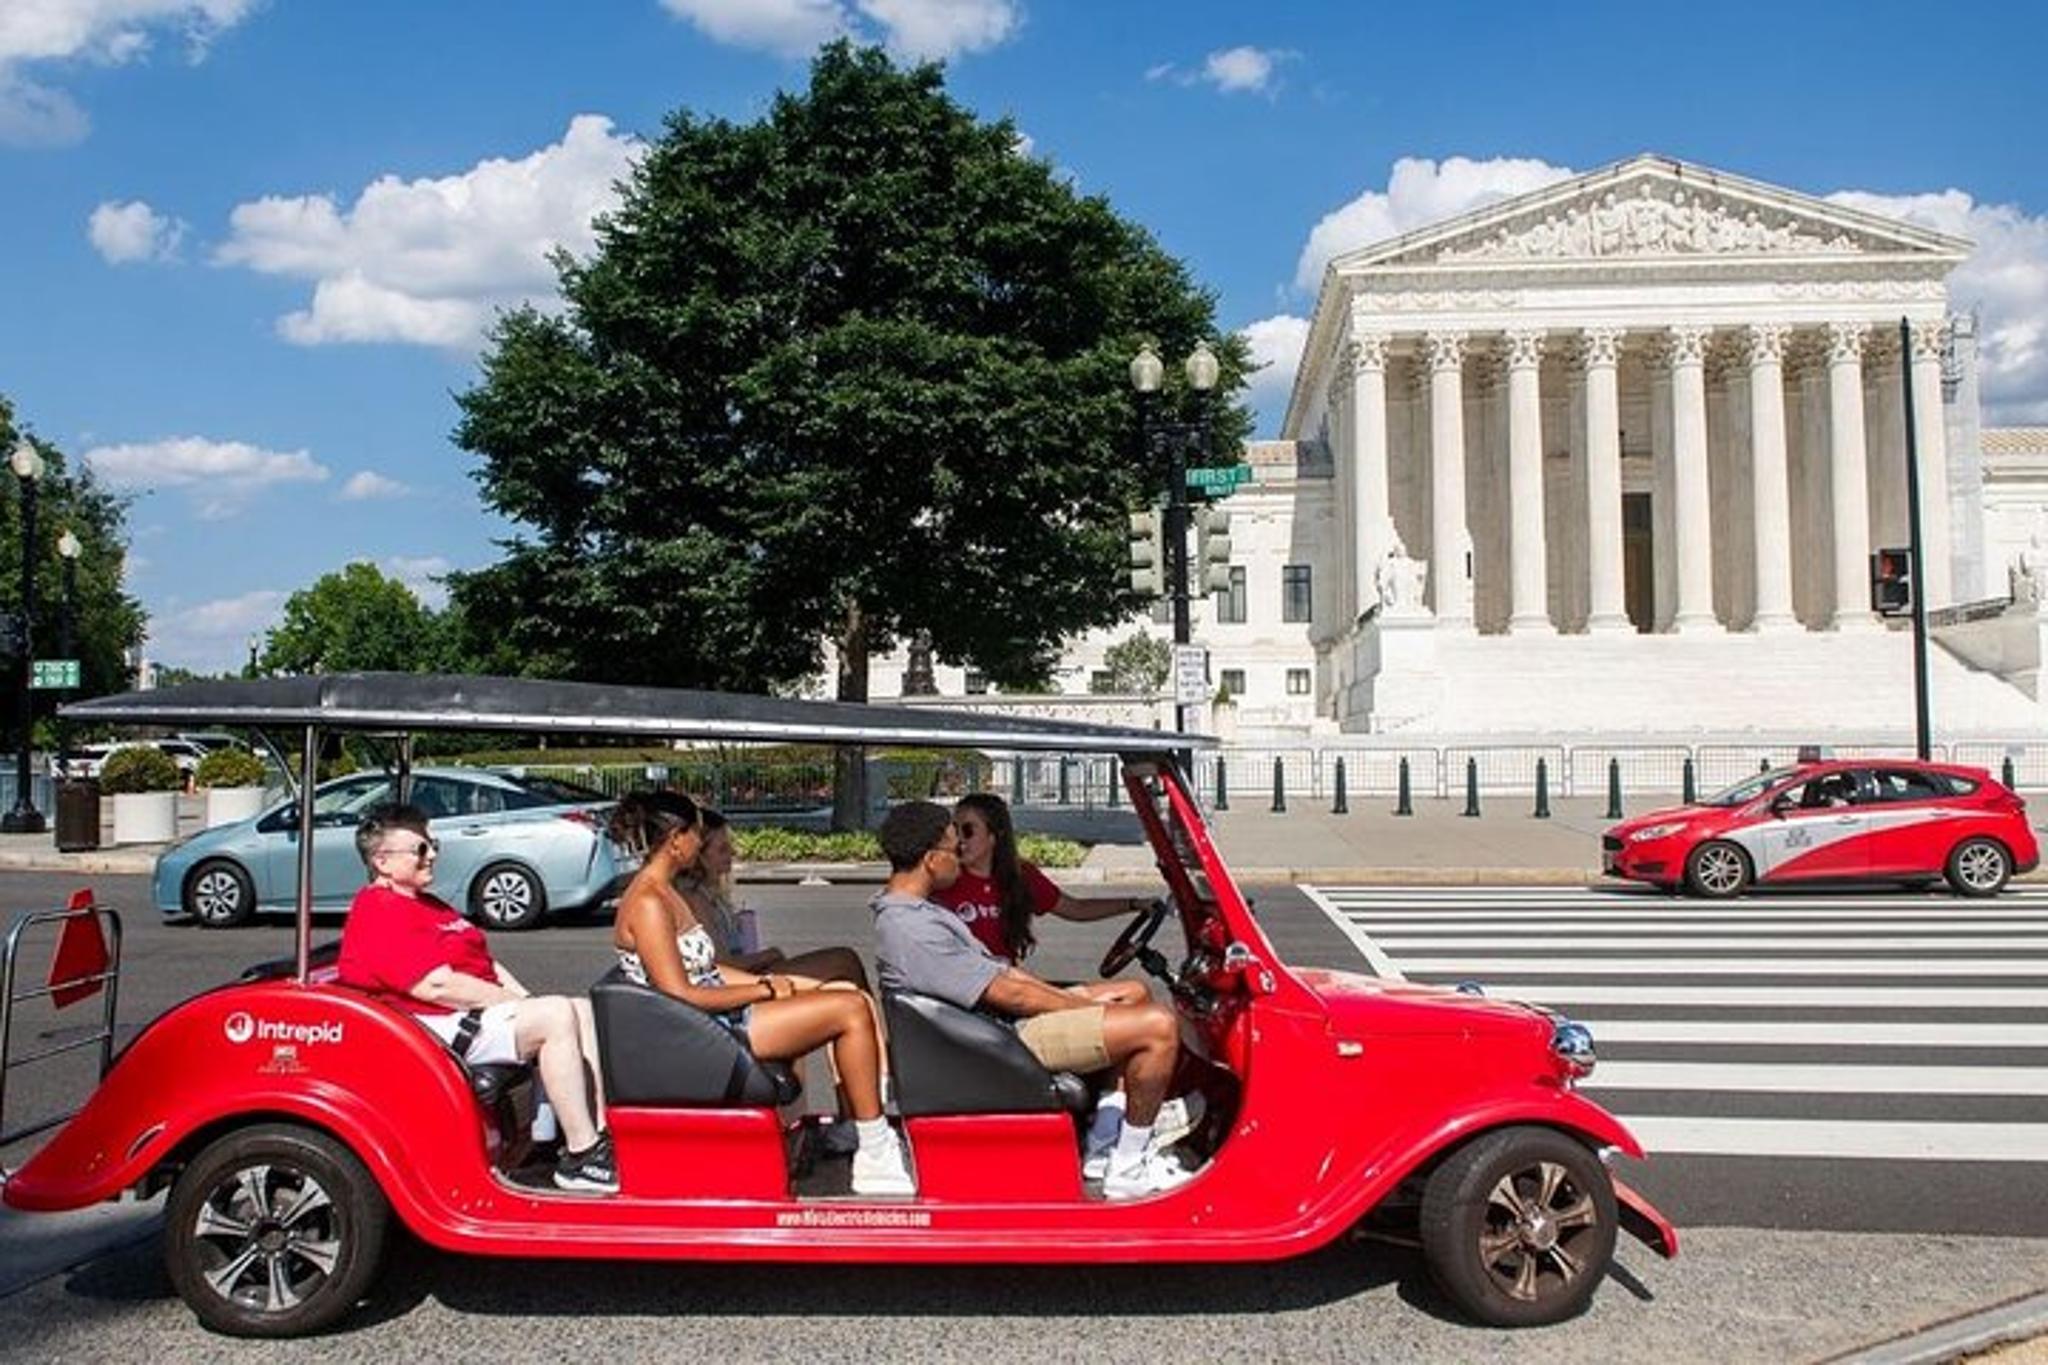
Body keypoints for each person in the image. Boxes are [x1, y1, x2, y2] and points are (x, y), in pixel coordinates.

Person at [871, 801, 1195, 1200]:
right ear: (931, 860)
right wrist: (1090, 1010)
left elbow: (1006, 975)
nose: (959, 854)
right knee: (1158, 1025)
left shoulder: (917, 912)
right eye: (954, 847)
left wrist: (1073, 999)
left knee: (1131, 996)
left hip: (991, 1025)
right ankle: (1129, 1166)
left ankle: (1104, 1140)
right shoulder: (913, 926)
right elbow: (1013, 994)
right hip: (999, 1039)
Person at [609, 790, 913, 1197]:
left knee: (842, 997)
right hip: (701, 1031)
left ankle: (865, 1131)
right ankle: (875, 1151)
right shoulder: (648, 901)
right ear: (676, 839)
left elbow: (705, 969)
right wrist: (762, 989)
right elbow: (680, 992)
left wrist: (768, 989)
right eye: (697, 833)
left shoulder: (665, 892)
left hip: (710, 1018)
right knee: (850, 1008)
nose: (700, 842)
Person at [337, 803, 617, 1195]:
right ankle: (581, 1155)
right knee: (554, 1016)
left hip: (461, 1014)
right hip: (431, 1026)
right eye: (420, 849)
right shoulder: (379, 909)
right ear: (381, 861)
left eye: (433, 846)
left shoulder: (427, 904)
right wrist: (514, 1004)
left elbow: (485, 963)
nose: (432, 855)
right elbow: (436, 986)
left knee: (578, 1009)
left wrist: (524, 998)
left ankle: (599, 1140)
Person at [940, 793, 1204, 1160]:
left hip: (1018, 990)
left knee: (1135, 992)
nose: (958, 839)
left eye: (967, 829)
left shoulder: (1019, 877)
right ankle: (1117, 1141)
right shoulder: (947, 883)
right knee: (1149, 1021)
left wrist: (1131, 904)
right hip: (995, 1006)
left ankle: (1107, 1122)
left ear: (994, 835)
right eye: (954, 829)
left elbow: (1075, 908)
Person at [679, 808, 870, 989]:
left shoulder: (710, 895)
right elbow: (721, 966)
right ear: (700, 855)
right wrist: (767, 956)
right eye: (722, 849)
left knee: (845, 971)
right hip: (741, 980)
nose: (732, 853)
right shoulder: (696, 898)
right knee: (844, 962)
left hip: (747, 973)